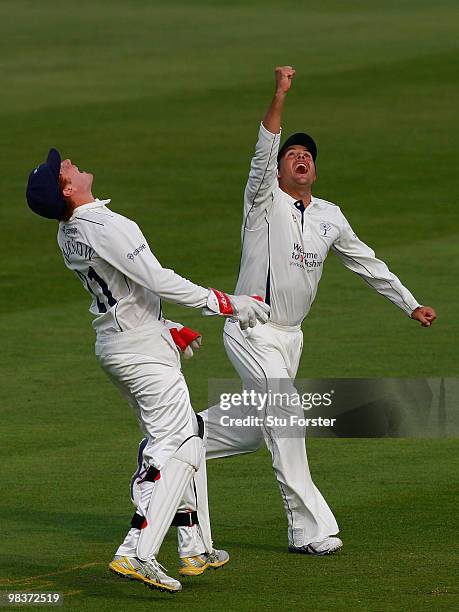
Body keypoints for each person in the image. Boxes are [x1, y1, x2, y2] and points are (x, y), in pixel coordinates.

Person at [182, 65, 437, 557]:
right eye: (291, 155)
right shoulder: (262, 202)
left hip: (291, 337)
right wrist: (279, 93)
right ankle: (307, 529)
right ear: (278, 170)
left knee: (260, 430)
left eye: (307, 156)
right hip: (251, 326)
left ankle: (181, 435)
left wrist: (410, 304)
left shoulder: (330, 216)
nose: (300, 158)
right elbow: (262, 150)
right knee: (288, 413)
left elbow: (368, 263)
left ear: (314, 170)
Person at [25, 150, 270, 593]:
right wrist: (229, 304)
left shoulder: (72, 232)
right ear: (67, 190)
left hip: (126, 342)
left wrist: (166, 326)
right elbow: (158, 280)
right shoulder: (104, 226)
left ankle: (194, 545)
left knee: (187, 438)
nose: (72, 163)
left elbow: (122, 291)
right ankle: (137, 551)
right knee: (173, 445)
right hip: (139, 352)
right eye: (64, 168)